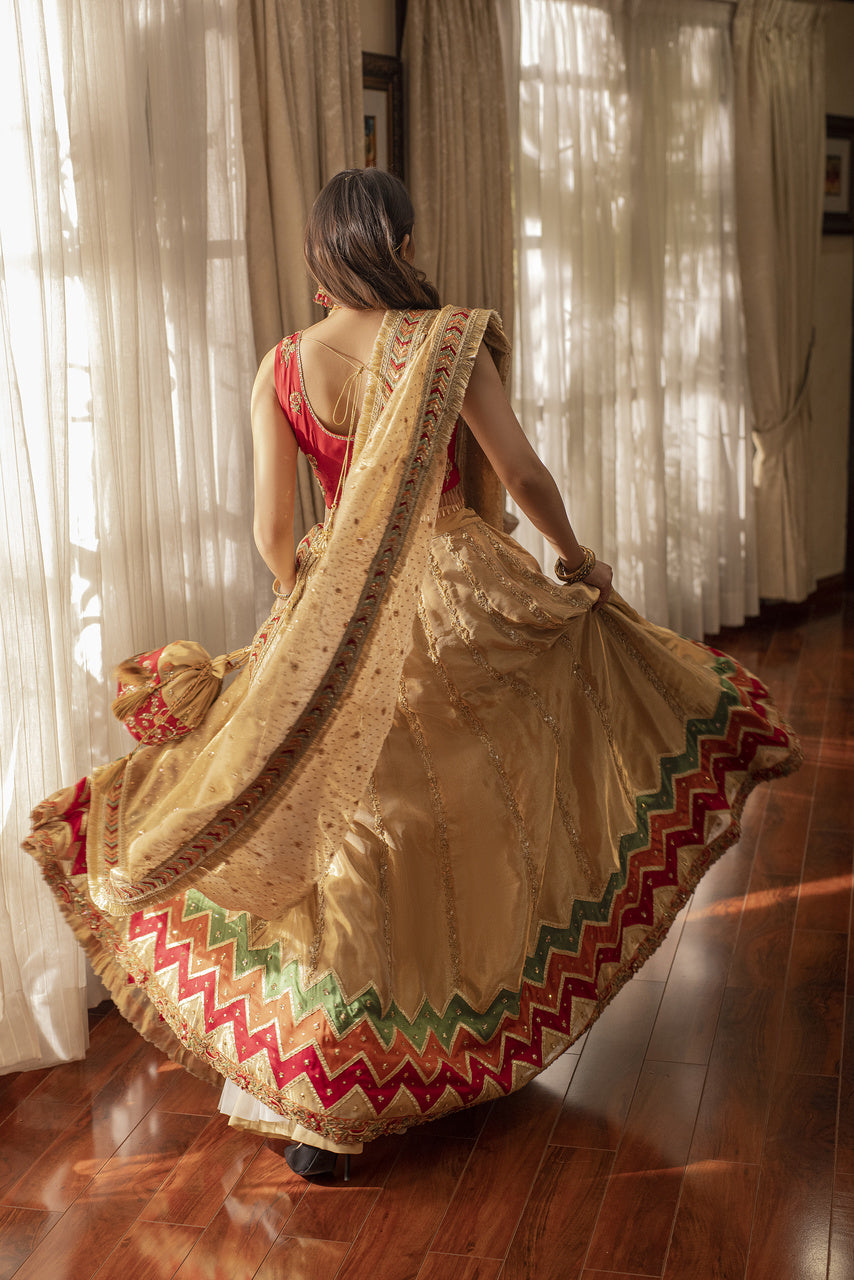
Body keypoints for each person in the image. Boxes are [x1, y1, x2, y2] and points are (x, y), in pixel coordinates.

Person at [25, 168, 801, 1182]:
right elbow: (518, 473)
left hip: (331, 601)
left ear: (320, 255)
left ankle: (323, 1092)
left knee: (339, 828)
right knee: (483, 800)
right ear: (395, 239)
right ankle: (462, 1028)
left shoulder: (282, 368)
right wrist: (575, 558)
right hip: (451, 585)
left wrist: (306, 607)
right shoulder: (443, 342)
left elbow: (269, 530)